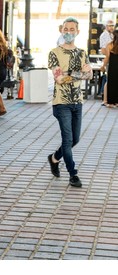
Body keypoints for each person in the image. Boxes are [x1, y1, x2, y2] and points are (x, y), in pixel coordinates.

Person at [47, 17, 93, 188]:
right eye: (66, 29)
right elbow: (59, 79)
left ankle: (54, 158)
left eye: (72, 29)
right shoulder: (54, 52)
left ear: (77, 32)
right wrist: (79, 72)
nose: (68, 32)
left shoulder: (82, 52)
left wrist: (69, 72)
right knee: (67, 140)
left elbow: (89, 75)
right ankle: (73, 174)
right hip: (61, 102)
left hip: (77, 101)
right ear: (61, 30)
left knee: (75, 139)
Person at [100, 29, 118, 107]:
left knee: (111, 83)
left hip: (113, 67)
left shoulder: (110, 45)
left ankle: (110, 102)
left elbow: (107, 57)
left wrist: (103, 66)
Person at [99, 20, 115, 101]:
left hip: (113, 59)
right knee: (108, 80)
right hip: (109, 59)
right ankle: (105, 99)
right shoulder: (104, 36)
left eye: (112, 25)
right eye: (110, 25)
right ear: (106, 26)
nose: (111, 27)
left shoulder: (113, 35)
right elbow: (103, 50)